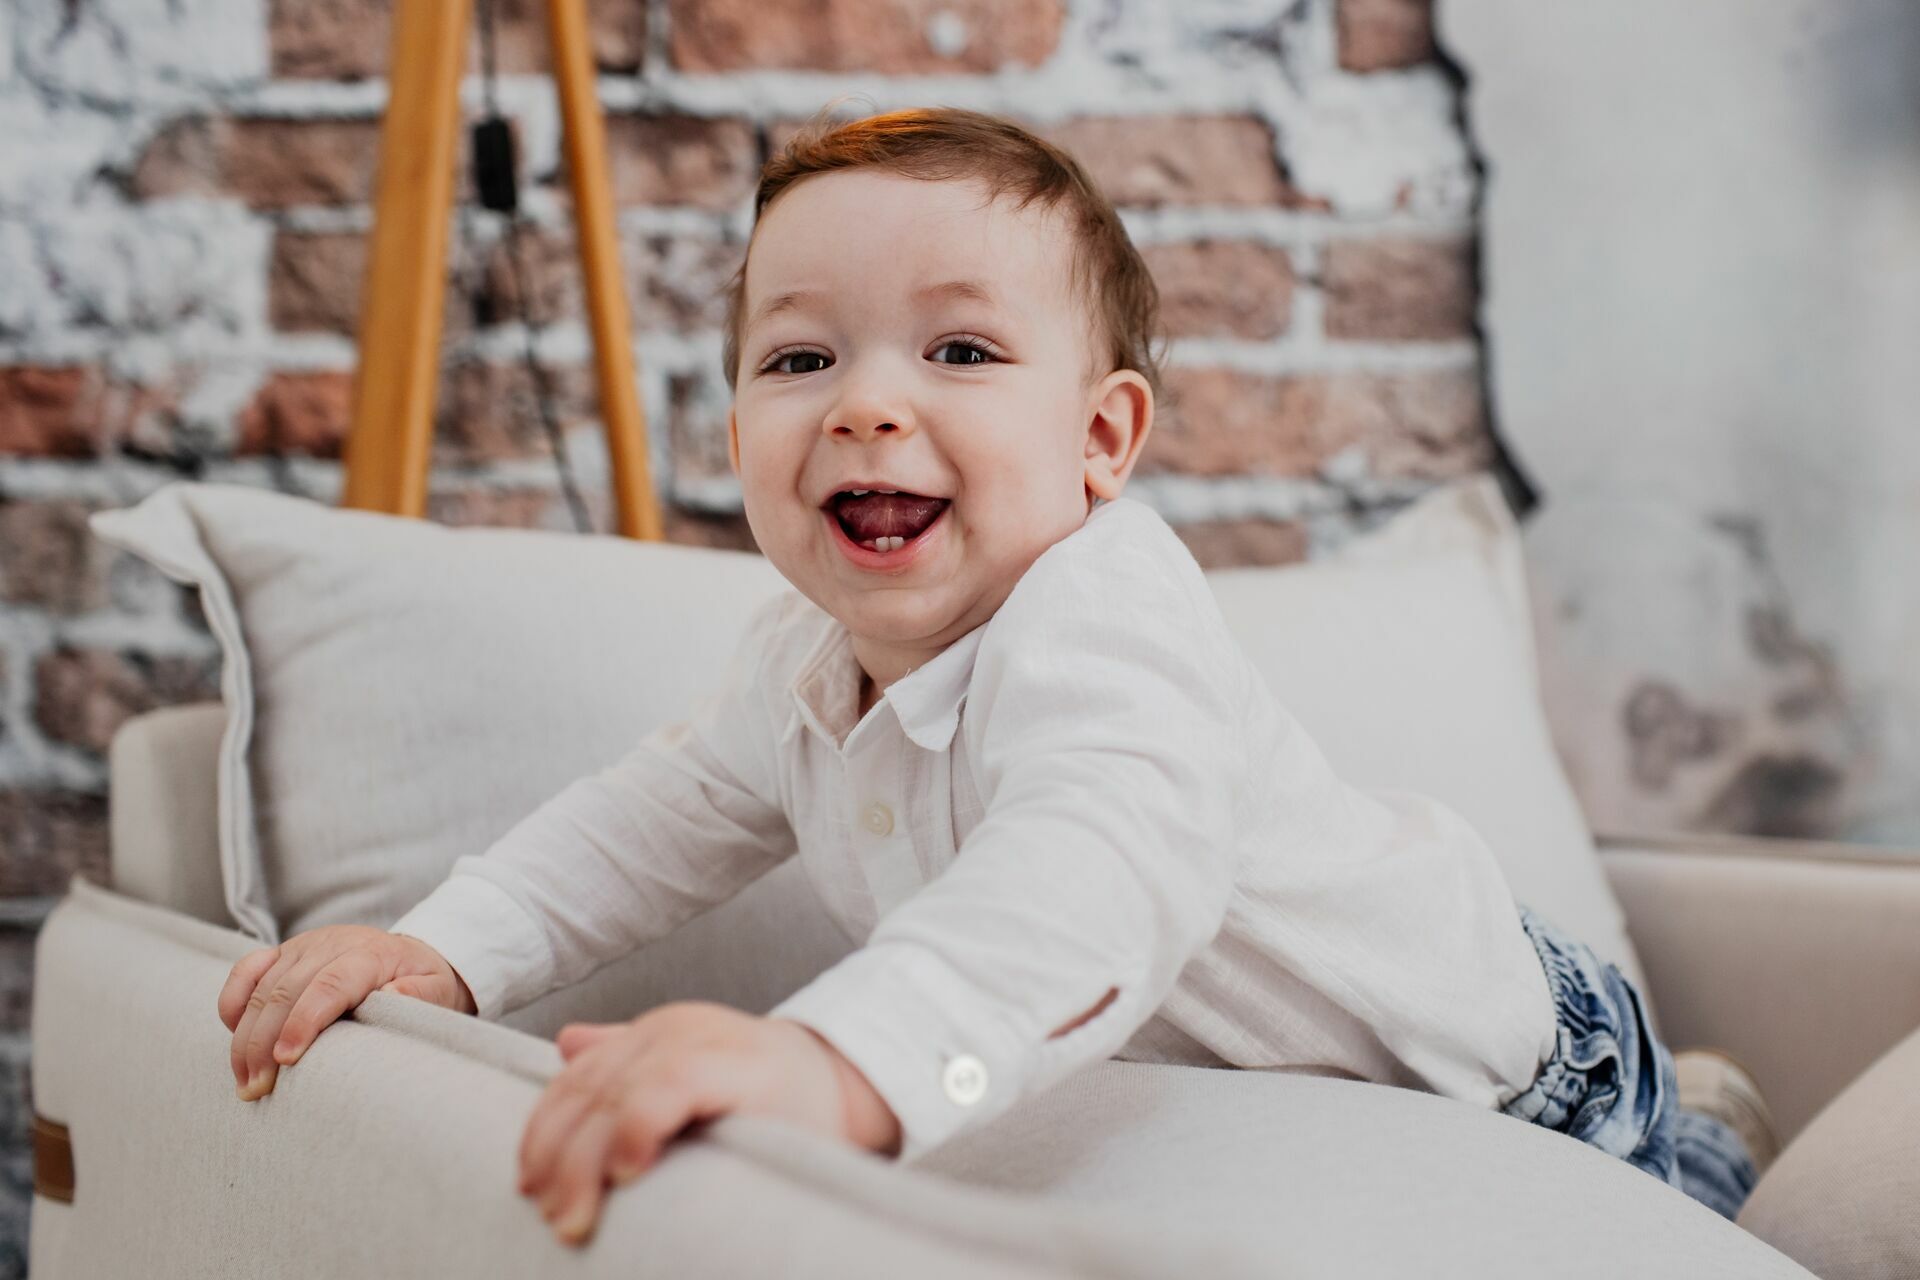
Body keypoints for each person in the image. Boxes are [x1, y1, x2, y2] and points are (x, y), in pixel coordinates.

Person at [218, 106, 1772, 1247]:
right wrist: (442, 950)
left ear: (1101, 440)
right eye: (799, 358)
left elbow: (1089, 881)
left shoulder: (1105, 628)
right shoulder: (802, 664)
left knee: (1698, 1213)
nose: (866, 408)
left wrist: (836, 1059)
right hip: (1249, 1111)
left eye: (958, 354)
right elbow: (646, 823)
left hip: (1514, 1067)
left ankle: (1706, 1123)